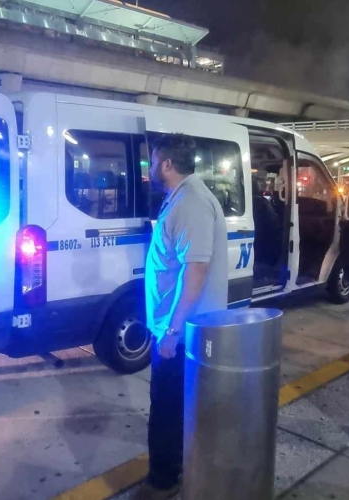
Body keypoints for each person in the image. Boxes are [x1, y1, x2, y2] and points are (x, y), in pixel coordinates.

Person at [133, 134, 228, 500]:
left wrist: (172, 331)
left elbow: (195, 271)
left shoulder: (191, 202)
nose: (150, 168)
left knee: (167, 408)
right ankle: (181, 465)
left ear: (167, 164)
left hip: (183, 330)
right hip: (177, 326)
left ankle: (163, 481)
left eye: (153, 162)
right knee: (177, 405)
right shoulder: (181, 198)